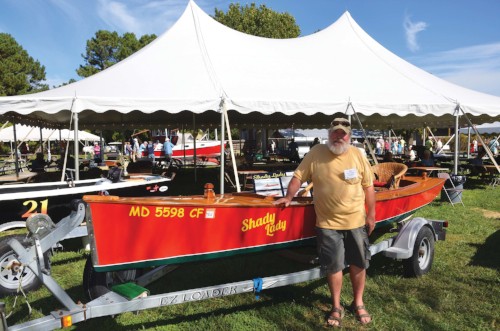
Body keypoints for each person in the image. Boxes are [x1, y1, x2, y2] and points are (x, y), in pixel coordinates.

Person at [274, 118, 375, 327]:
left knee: (358, 263)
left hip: (356, 220)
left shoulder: (358, 154)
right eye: (335, 132)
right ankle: (336, 306)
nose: (339, 136)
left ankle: (358, 303)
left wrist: (371, 214)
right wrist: (289, 197)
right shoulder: (316, 153)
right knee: (333, 265)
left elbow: (368, 187)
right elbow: (298, 177)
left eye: (343, 133)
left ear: (349, 135)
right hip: (327, 223)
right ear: (329, 133)